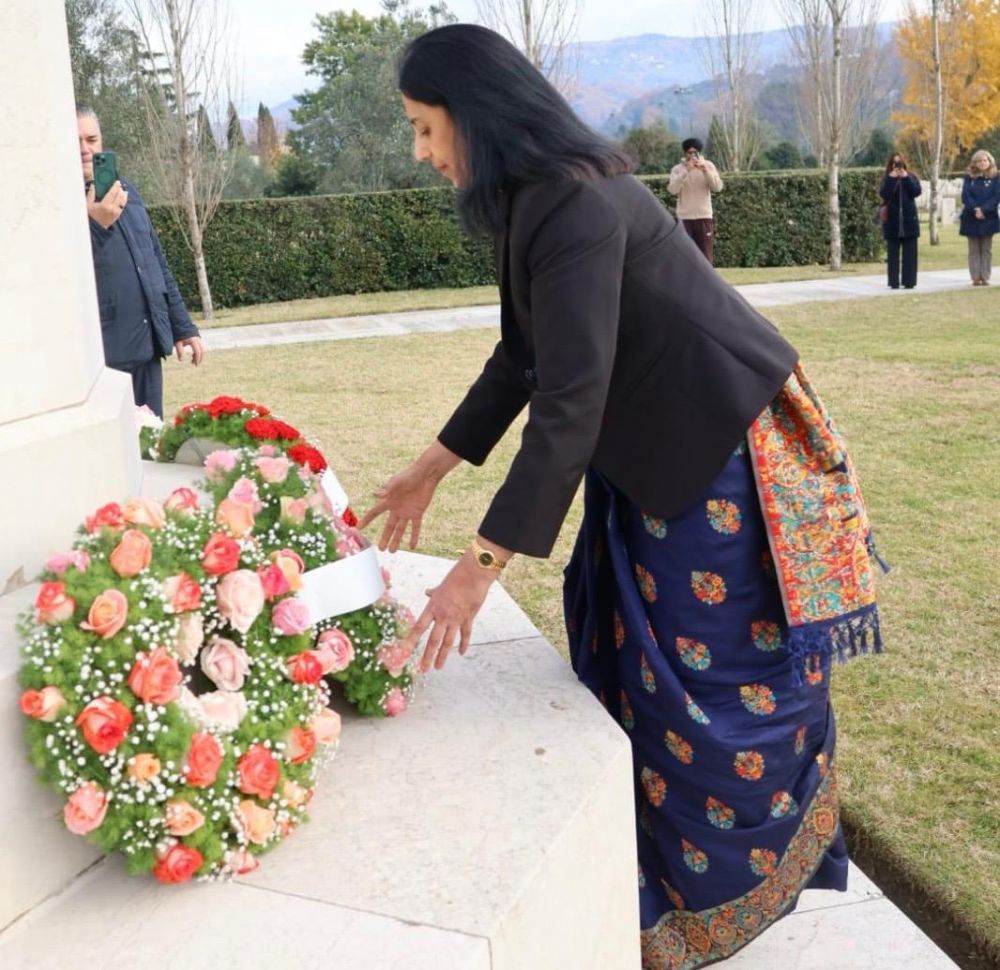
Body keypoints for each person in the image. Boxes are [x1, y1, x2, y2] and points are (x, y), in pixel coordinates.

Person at [362, 24, 886, 969]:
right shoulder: (533, 200)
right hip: (657, 452)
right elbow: (524, 357)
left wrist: (478, 571)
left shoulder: (576, 202)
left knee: (718, 683)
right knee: (649, 672)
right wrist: (430, 467)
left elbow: (571, 401)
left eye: (424, 127)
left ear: (472, 115)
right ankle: (666, 890)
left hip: (720, 447)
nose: (421, 153)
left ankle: (724, 899)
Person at [77, 104, 204, 416]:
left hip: (147, 346)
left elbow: (155, 262)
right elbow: (58, 274)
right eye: (74, 140)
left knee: (147, 449)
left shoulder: (126, 191)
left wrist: (181, 325)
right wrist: (95, 223)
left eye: (91, 139)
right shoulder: (56, 200)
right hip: (103, 357)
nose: (84, 149)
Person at [667, 137, 724, 264]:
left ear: (700, 152)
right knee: (685, 255)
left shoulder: (708, 166)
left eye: (695, 152)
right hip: (685, 218)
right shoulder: (677, 169)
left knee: (706, 256)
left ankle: (706, 283)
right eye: (690, 153)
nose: (692, 155)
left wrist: (705, 170)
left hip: (704, 217)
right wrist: (686, 170)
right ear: (685, 153)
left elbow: (717, 187)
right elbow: (672, 189)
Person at [879, 151, 922, 290]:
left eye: (899, 163)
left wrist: (906, 178)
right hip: (892, 221)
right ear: (890, 165)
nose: (897, 166)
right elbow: (884, 194)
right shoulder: (887, 178)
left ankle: (909, 281)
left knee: (910, 254)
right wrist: (892, 179)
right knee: (893, 254)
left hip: (909, 220)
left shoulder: (911, 177)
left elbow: (916, 192)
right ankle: (893, 282)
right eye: (894, 163)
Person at [959, 148, 1000, 286]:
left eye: (985, 160)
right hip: (971, 216)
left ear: (990, 161)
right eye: (979, 161)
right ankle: (975, 277)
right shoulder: (969, 177)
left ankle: (985, 276)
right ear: (975, 163)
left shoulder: (996, 177)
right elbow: (965, 195)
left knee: (986, 249)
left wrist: (984, 210)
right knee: (974, 249)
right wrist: (975, 209)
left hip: (989, 217)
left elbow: (996, 196)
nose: (982, 163)